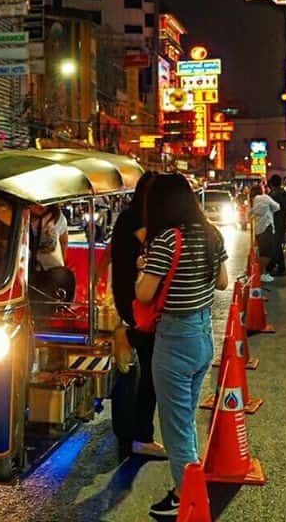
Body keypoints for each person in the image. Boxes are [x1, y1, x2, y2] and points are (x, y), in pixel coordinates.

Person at [135, 173, 229, 519]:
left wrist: (142, 270)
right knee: (185, 417)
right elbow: (222, 282)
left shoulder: (166, 241)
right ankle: (189, 483)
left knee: (175, 426)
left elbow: (144, 293)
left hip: (174, 340)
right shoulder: (211, 233)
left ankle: (186, 494)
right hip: (203, 336)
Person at [109, 171, 164, 460]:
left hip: (127, 297)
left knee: (133, 371)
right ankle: (140, 435)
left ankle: (127, 431)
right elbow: (154, 248)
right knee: (148, 371)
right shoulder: (137, 221)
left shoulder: (127, 217)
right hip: (136, 301)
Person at [248, 179, 280, 282]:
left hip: (258, 229)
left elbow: (249, 215)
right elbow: (277, 207)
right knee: (268, 253)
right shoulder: (265, 198)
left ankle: (263, 273)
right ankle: (261, 273)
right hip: (267, 227)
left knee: (261, 252)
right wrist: (269, 209)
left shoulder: (252, 201)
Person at [267, 175, 286, 276]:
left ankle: (280, 267)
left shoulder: (273, 195)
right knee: (277, 245)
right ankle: (272, 266)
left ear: (272, 184)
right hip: (283, 221)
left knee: (275, 245)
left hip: (275, 222)